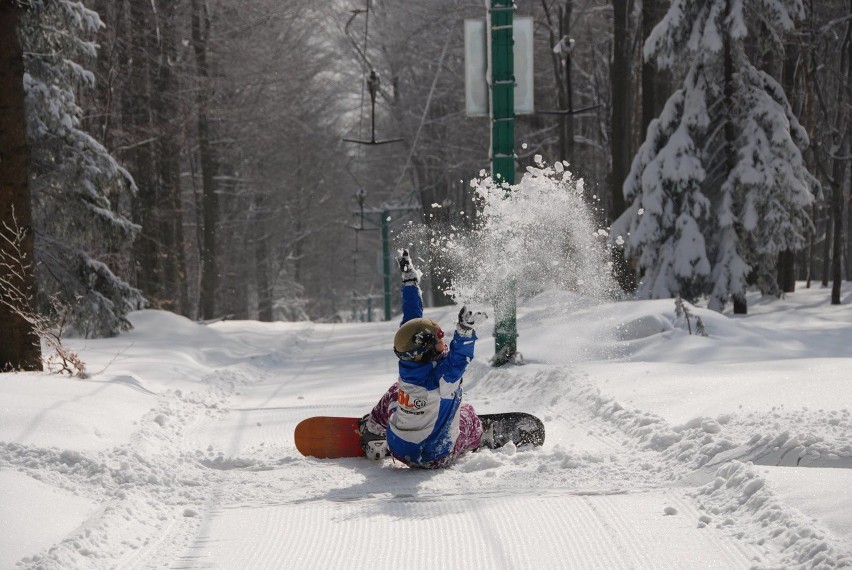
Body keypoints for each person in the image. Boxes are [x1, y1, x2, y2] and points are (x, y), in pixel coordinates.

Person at [358, 249, 488, 468]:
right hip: (434, 456)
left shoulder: (408, 363)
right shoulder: (443, 380)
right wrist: (464, 331)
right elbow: (458, 360)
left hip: (398, 447)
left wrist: (410, 283)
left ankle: (373, 431)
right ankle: (479, 436)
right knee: (468, 414)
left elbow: (411, 323)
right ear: (427, 349)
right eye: (439, 339)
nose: (443, 340)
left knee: (395, 392)